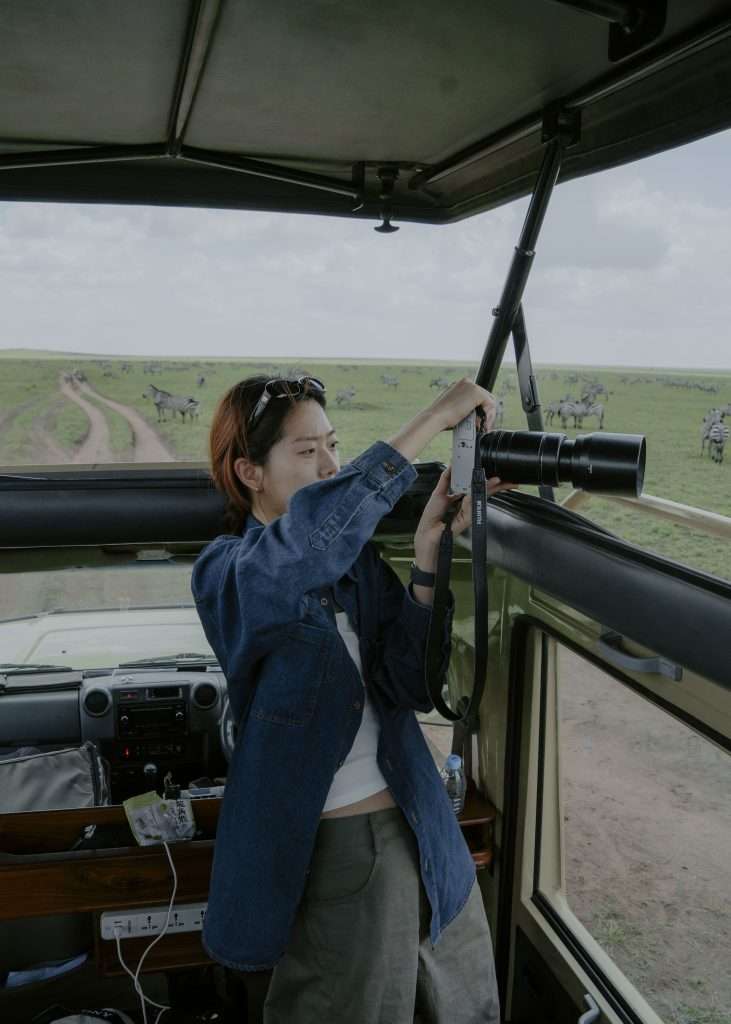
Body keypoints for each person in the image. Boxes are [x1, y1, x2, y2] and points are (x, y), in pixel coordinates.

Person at [192, 374, 509, 1023]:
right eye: (307, 451)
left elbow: (409, 685)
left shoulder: (361, 568)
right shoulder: (228, 573)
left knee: (465, 1003)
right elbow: (306, 543)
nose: (331, 464)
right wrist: (432, 417)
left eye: (333, 445)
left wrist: (425, 555)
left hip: (425, 823)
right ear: (250, 471)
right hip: (343, 851)